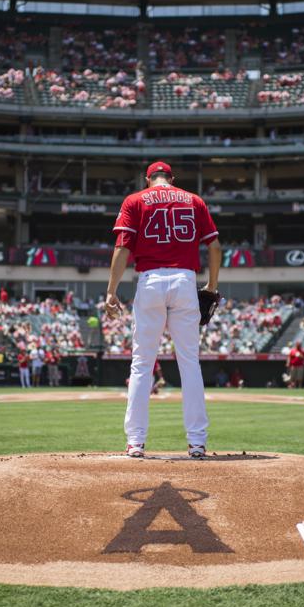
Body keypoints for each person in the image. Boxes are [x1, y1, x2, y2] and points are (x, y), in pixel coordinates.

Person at [104, 160, 222, 459]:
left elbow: (123, 248)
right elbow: (215, 246)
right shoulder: (194, 200)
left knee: (142, 364)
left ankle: (135, 442)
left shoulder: (135, 200)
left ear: (148, 179)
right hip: (185, 279)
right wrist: (210, 286)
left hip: (151, 279)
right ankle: (197, 442)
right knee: (189, 363)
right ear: (172, 178)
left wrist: (111, 290)